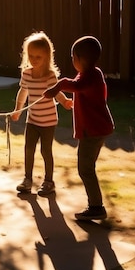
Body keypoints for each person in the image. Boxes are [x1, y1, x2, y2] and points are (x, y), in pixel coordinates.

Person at [43, 36, 114, 220]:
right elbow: (78, 88)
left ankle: (96, 207)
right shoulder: (88, 74)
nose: (72, 61)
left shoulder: (91, 76)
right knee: (86, 167)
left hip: (94, 131)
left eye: (73, 57)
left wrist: (57, 86)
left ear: (80, 58)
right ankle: (96, 206)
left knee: (85, 169)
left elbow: (76, 86)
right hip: (94, 130)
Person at [11, 31, 72, 197]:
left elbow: (57, 92)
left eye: (38, 57)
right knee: (28, 148)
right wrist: (18, 110)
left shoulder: (49, 76)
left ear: (47, 57)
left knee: (46, 151)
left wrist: (65, 101)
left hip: (48, 121)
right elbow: (23, 92)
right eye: (31, 56)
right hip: (32, 119)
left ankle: (49, 181)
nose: (34, 60)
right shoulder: (27, 74)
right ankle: (27, 179)